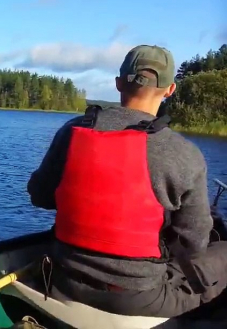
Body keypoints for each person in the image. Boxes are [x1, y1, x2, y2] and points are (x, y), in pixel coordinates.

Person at [27, 44, 227, 318]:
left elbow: (39, 196)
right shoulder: (184, 153)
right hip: (139, 298)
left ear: (119, 83)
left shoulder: (72, 131)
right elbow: (194, 243)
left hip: (62, 278)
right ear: (170, 90)